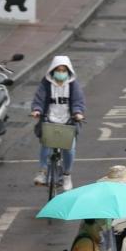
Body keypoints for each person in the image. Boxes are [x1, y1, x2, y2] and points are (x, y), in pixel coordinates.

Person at [31, 55, 85, 191]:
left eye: (63, 70)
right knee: (46, 145)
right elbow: (39, 99)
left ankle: (67, 175)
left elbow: (78, 101)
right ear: (52, 70)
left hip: (68, 122)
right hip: (49, 120)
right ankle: (43, 172)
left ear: (68, 71)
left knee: (70, 149)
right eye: (58, 70)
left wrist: (78, 113)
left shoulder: (73, 85)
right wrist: (37, 110)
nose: (60, 73)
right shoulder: (46, 84)